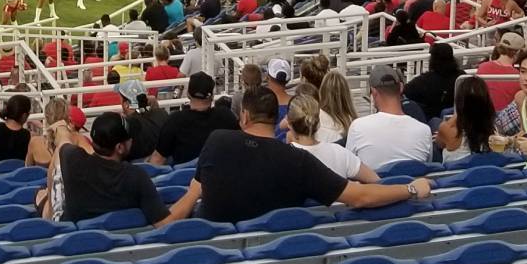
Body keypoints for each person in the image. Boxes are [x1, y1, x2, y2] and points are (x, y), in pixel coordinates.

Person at [165, 86, 431, 223]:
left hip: (215, 258)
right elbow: (360, 196)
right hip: (272, 263)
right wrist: (410, 188)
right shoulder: (298, 159)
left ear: (244, 116)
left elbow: (193, 194)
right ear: (276, 119)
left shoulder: (217, 140)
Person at [57, 111, 172, 224]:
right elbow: (164, 223)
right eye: (129, 138)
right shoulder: (136, 176)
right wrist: (191, 192)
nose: (132, 139)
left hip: (77, 240)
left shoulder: (72, 159)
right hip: (123, 241)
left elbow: (63, 139)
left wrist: (61, 126)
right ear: (120, 148)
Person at [346, 64, 436, 171]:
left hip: (374, 187)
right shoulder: (424, 131)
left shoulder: (358, 127)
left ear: (374, 92)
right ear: (401, 88)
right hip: (413, 186)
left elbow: (349, 169)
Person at [148, 70, 237, 165]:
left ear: (188, 94)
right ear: (212, 96)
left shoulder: (175, 120)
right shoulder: (226, 116)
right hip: (219, 175)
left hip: (183, 178)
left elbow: (157, 160)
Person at [436, 75, 503, 157]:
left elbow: (439, 143)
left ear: (459, 102)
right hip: (484, 167)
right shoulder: (495, 131)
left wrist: (460, 112)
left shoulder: (447, 129)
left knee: (434, 122)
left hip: (457, 169)